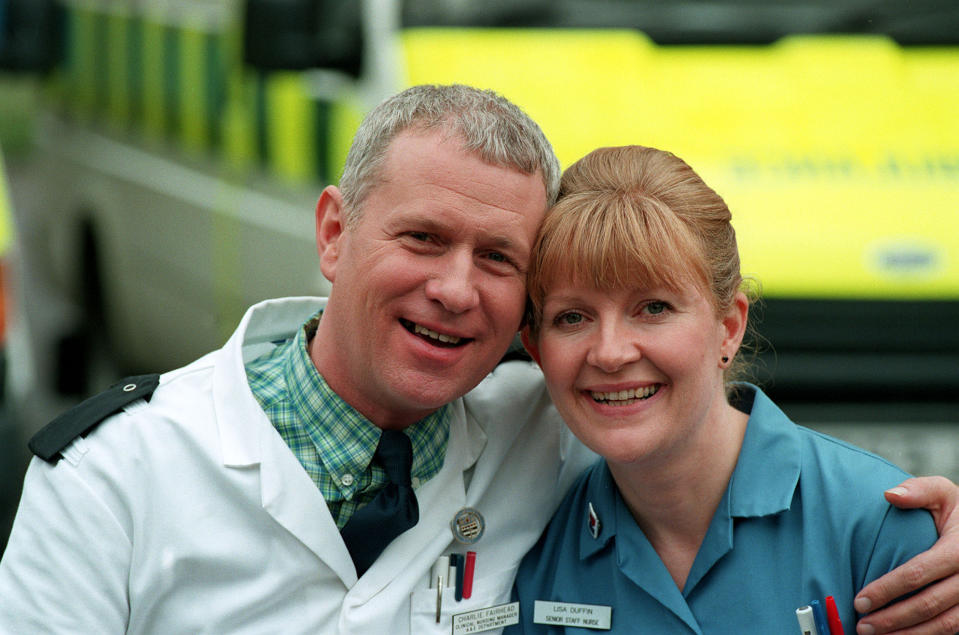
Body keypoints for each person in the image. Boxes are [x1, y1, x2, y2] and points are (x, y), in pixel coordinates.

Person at [0, 86, 956, 634]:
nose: (457, 289)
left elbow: (717, 444)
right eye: (422, 238)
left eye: (498, 257)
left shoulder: (553, 429)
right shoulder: (106, 482)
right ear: (333, 232)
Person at [507, 144, 948, 634]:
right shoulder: (531, 552)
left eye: (653, 308)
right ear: (536, 347)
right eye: (572, 317)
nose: (610, 353)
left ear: (729, 326)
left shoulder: (877, 529)